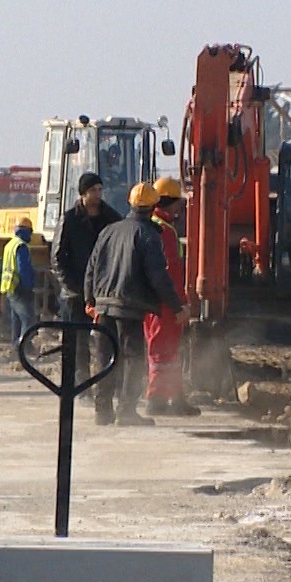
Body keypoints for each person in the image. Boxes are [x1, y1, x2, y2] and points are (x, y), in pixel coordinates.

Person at [84, 181, 183, 426]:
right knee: (133, 359)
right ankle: (126, 412)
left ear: (130, 203)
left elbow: (91, 268)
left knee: (105, 358)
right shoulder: (148, 235)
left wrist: (90, 300)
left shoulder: (109, 230)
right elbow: (159, 276)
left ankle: (102, 411)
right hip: (130, 306)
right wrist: (177, 307)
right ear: (153, 206)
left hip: (104, 304)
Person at [55, 171, 122, 390]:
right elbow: (58, 258)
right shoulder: (70, 219)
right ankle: (79, 385)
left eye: (100, 189)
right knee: (78, 342)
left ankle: (106, 384)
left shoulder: (110, 219)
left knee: (106, 341)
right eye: (93, 190)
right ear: (83, 194)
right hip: (75, 293)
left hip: (103, 292)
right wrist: (73, 287)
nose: (97, 194)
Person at [143, 176, 197, 416]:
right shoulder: (161, 229)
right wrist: (178, 303)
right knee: (161, 350)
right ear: (168, 202)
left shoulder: (161, 226)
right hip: (164, 302)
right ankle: (155, 399)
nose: (180, 208)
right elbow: (166, 271)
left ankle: (174, 397)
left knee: (171, 351)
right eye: (178, 203)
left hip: (165, 299)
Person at [0, 220, 37, 346]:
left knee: (16, 321)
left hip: (9, 287)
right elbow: (23, 269)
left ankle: (15, 348)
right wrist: (29, 286)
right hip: (19, 288)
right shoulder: (21, 246)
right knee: (29, 320)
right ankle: (23, 349)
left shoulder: (10, 245)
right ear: (26, 231)